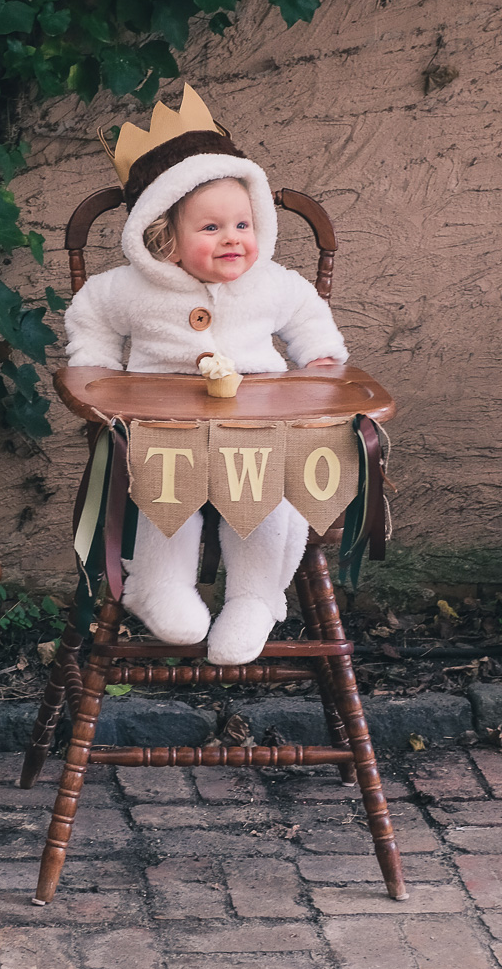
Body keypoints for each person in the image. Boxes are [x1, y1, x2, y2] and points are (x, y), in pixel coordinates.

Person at [64, 84, 347, 664]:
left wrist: (320, 358)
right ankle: (158, 585)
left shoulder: (270, 282)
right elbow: (90, 313)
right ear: (164, 232)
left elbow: (306, 313)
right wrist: (96, 371)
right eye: (210, 228)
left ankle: (255, 597)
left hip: (257, 432)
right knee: (170, 492)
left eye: (242, 225)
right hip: (167, 434)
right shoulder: (131, 289)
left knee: (271, 498)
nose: (232, 240)